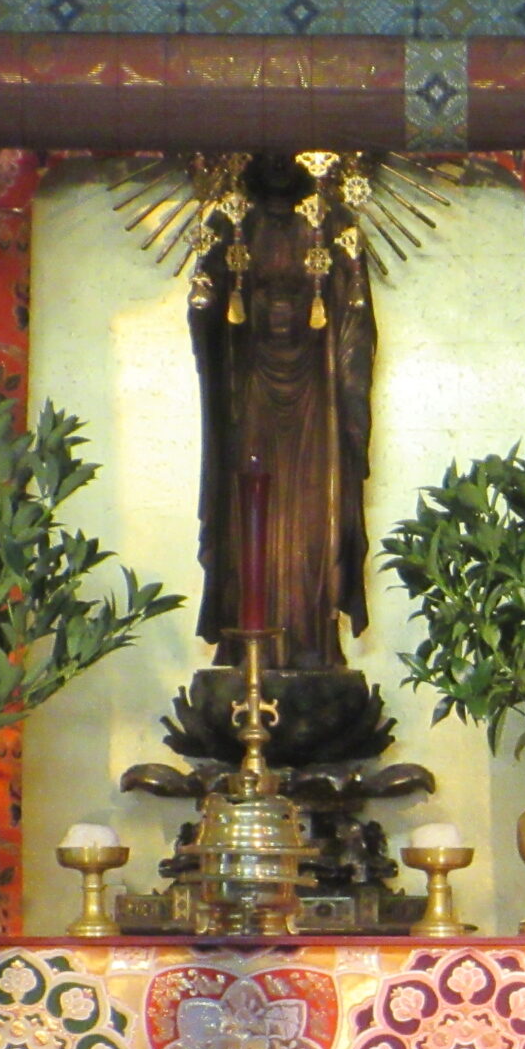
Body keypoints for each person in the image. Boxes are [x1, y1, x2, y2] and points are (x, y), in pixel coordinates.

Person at [190, 152, 377, 672]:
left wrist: (350, 285)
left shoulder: (333, 223)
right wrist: (205, 302)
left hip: (316, 391)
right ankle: (246, 650)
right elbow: (206, 309)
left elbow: (356, 319)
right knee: (247, 518)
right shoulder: (228, 222)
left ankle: (312, 639)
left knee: (314, 522)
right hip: (251, 388)